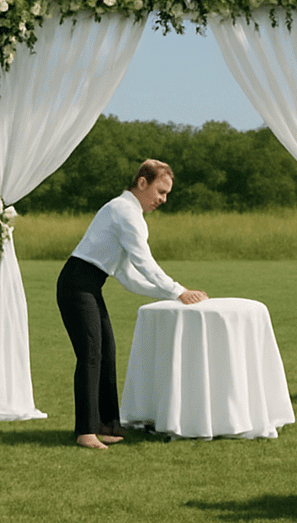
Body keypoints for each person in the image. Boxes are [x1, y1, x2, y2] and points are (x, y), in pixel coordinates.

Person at [56, 159, 208, 450]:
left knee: (107, 352)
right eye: (160, 191)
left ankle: (108, 426)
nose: (162, 200)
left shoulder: (128, 213)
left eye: (166, 195)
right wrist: (179, 290)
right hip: (76, 285)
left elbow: (128, 276)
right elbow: (145, 263)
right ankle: (86, 432)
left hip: (88, 286)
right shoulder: (124, 211)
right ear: (142, 183)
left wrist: (173, 295)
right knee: (90, 355)